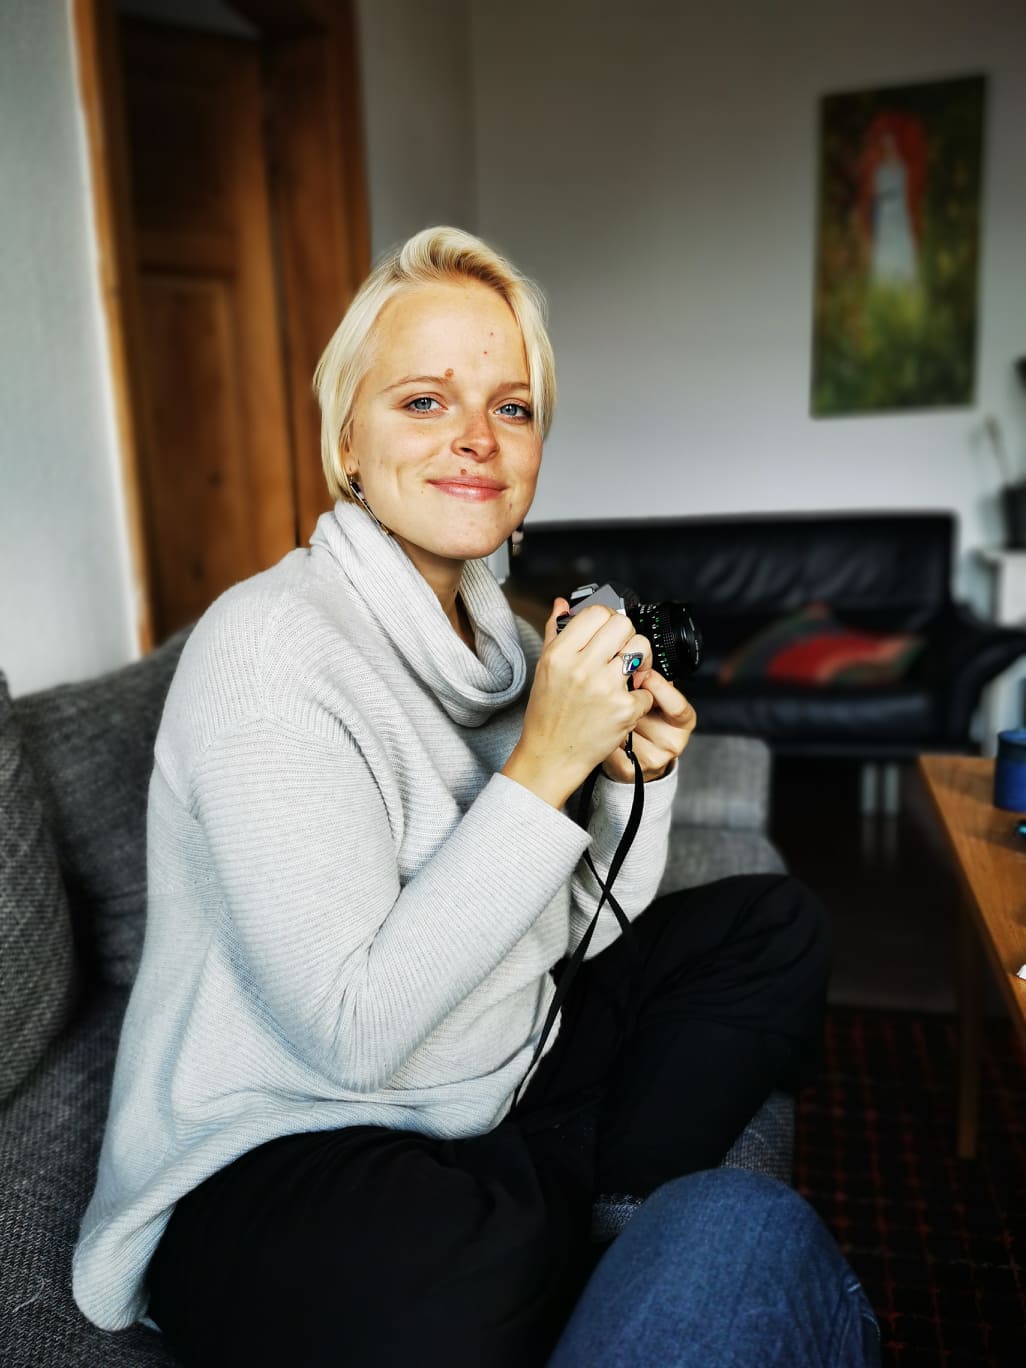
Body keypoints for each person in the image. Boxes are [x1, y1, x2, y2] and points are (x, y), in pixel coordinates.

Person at [72, 226, 875, 1366]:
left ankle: (601, 1225)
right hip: (293, 1140)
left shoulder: (506, 644)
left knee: (776, 925)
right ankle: (595, 1221)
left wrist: (630, 780)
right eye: (423, 402)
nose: (477, 440)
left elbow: (582, 926)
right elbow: (351, 1034)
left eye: (512, 408)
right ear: (346, 442)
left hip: (496, 1075)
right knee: (449, 1268)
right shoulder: (266, 649)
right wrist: (541, 766)